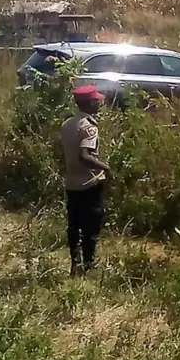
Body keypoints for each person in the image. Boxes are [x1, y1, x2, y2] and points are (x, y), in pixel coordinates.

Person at [60, 85, 111, 276]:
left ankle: (75, 264)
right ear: (89, 103)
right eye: (96, 100)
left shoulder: (67, 124)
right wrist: (105, 167)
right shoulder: (89, 127)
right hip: (89, 184)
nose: (99, 103)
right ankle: (89, 265)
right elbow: (84, 155)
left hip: (72, 184)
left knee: (74, 226)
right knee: (91, 226)